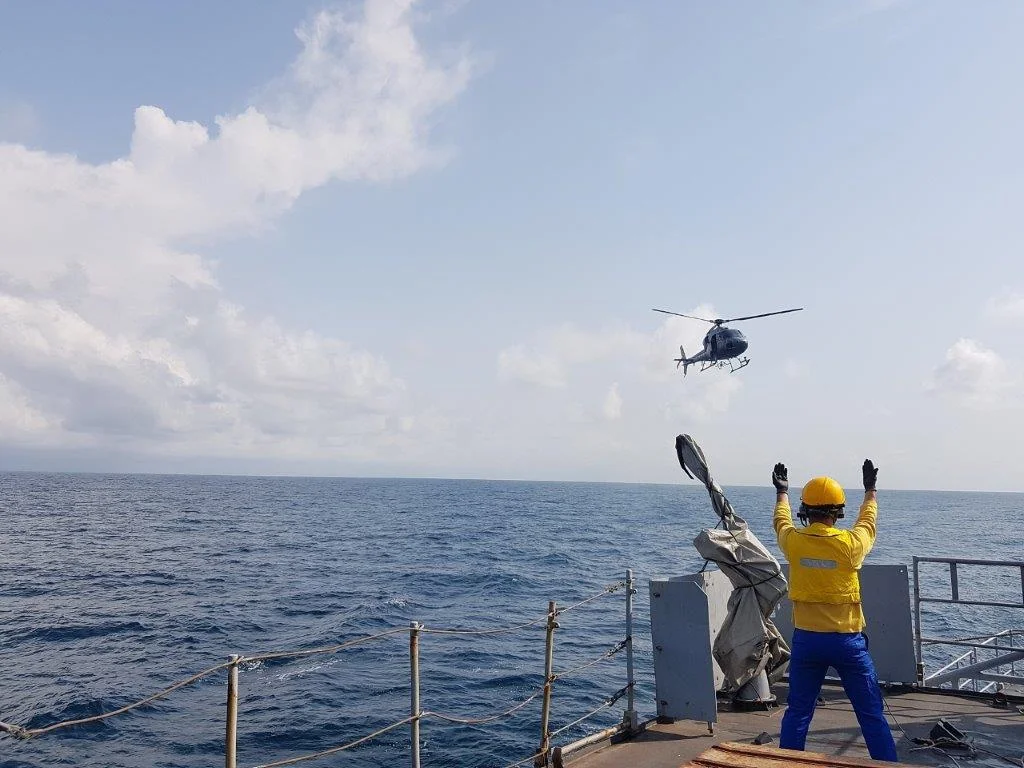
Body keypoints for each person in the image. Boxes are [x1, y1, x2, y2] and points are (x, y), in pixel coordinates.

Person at [771, 459, 898, 762]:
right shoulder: (851, 545)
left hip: (808, 642)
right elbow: (867, 523)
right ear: (838, 511)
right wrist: (870, 491)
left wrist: (781, 493)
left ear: (806, 510)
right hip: (847, 643)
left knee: (799, 712)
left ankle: (788, 762)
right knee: (871, 714)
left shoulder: (794, 543)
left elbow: (781, 522)